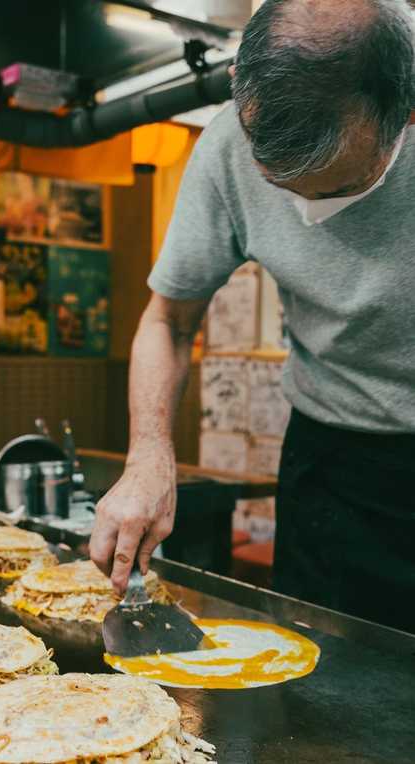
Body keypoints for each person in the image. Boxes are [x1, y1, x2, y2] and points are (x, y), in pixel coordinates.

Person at [90, 0, 415, 634]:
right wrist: (149, 454)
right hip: (334, 466)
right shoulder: (228, 146)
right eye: (284, 190)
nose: (305, 214)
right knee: (324, 695)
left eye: (330, 188)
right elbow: (169, 320)